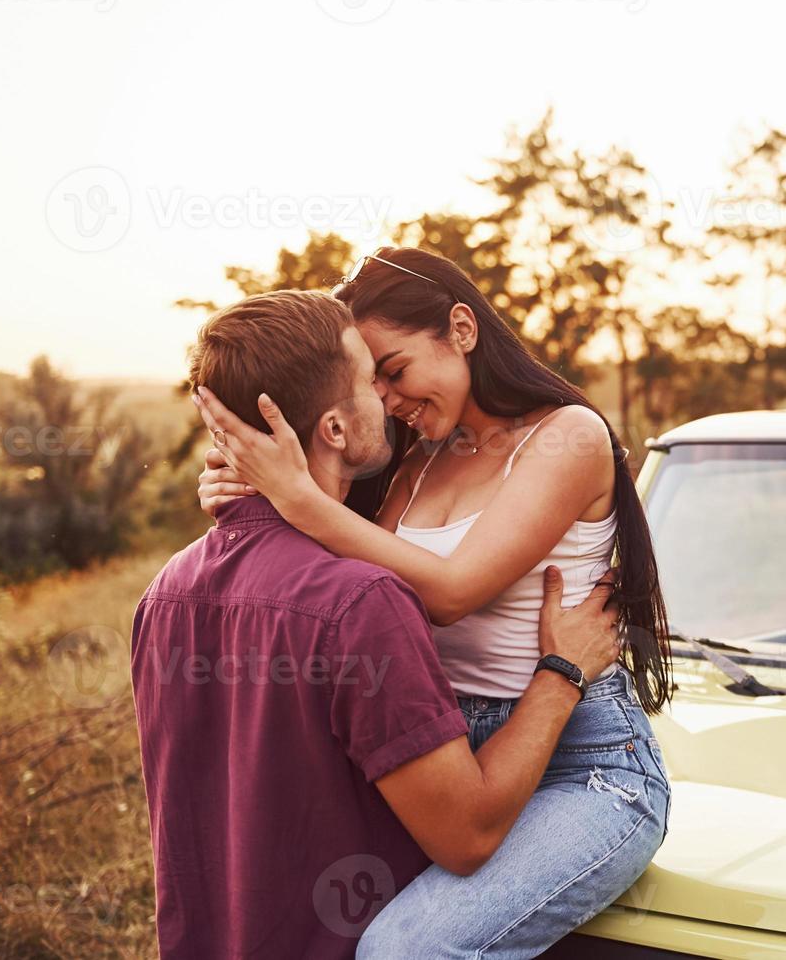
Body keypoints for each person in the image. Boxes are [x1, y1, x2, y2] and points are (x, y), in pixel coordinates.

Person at [190, 249, 673, 957]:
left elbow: (450, 593)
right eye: (370, 379)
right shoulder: (417, 458)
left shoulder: (566, 436)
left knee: (401, 951)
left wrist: (295, 498)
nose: (384, 399)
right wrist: (245, 492)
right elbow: (349, 579)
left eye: (394, 369)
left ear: (461, 329)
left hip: (583, 764)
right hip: (444, 760)